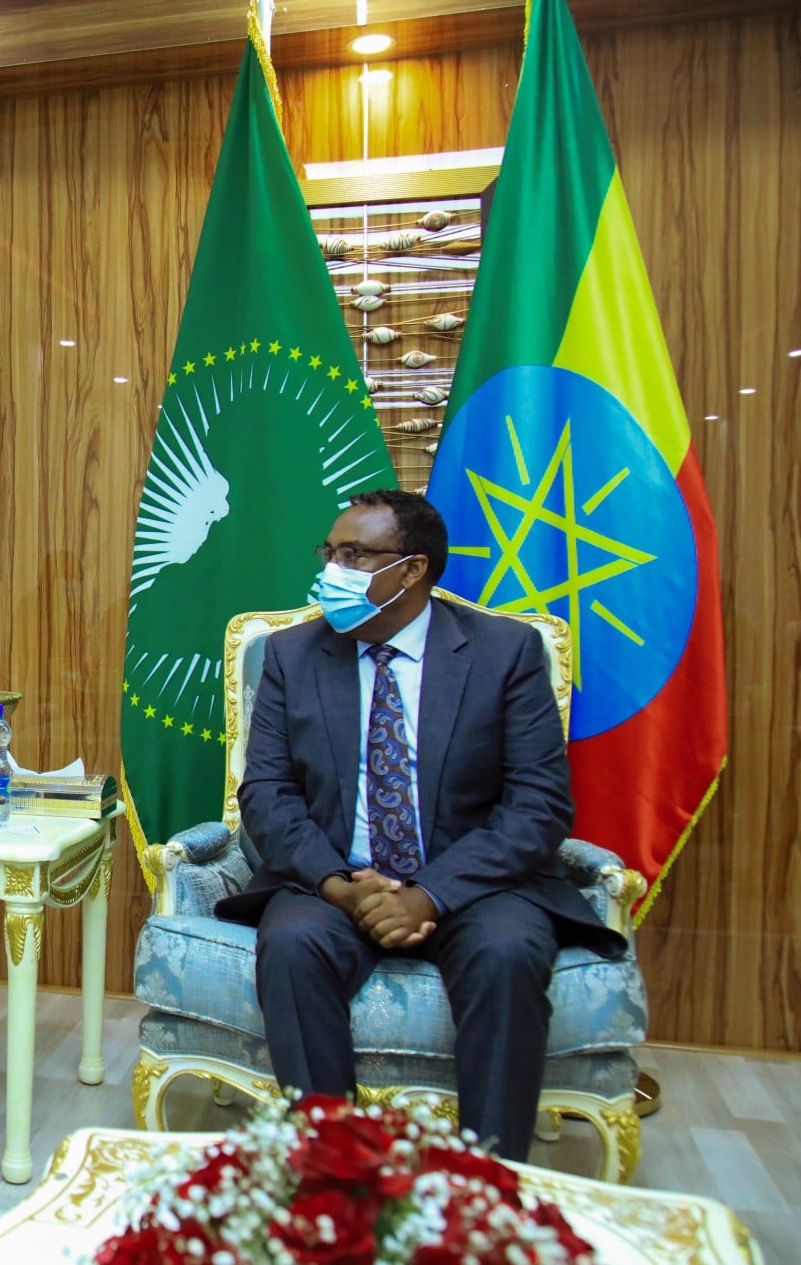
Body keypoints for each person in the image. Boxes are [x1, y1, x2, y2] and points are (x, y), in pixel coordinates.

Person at [213, 489, 626, 1161]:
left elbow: (539, 804)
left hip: (477, 884)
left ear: (411, 570)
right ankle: (332, 1172)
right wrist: (340, 886)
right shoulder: (294, 655)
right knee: (291, 945)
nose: (333, 570)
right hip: (335, 879)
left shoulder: (504, 652)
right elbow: (267, 793)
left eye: (354, 555)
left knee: (506, 954)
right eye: (329, 552)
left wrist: (428, 895)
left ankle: (485, 1180)